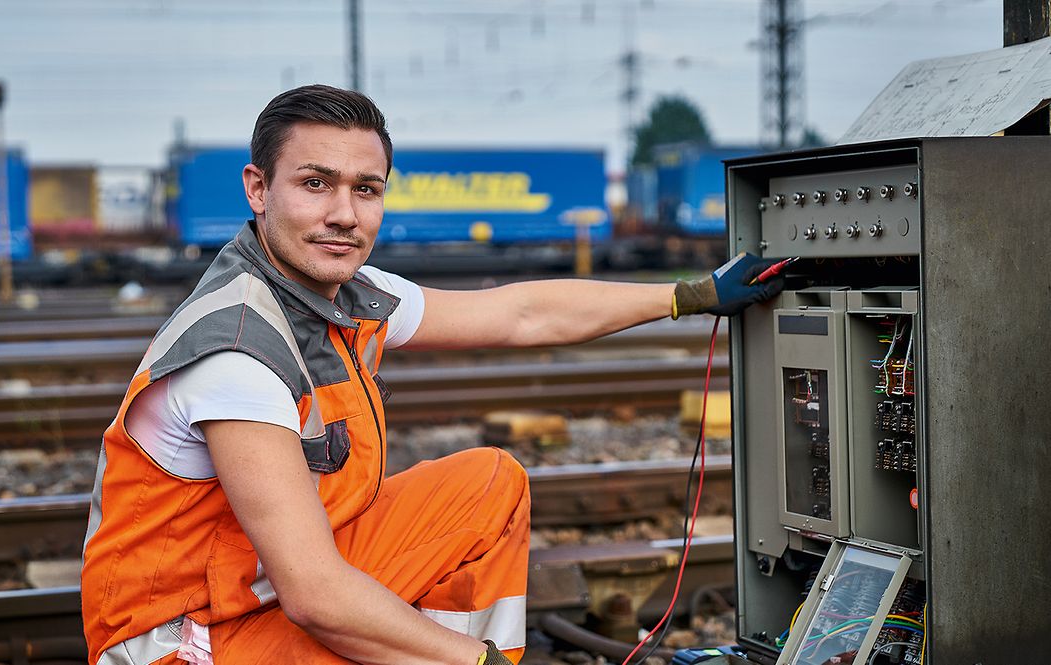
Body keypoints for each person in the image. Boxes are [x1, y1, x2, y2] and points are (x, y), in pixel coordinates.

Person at [80, 84, 783, 665]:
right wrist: (466, 660)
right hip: (180, 641)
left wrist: (689, 296)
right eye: (315, 183)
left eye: (366, 189)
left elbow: (523, 314)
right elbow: (315, 595)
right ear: (258, 188)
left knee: (486, 484)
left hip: (249, 590)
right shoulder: (237, 351)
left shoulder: (349, 295)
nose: (343, 215)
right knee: (370, 631)